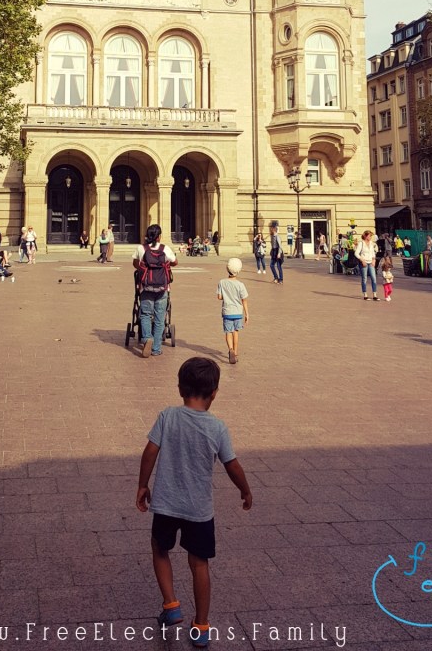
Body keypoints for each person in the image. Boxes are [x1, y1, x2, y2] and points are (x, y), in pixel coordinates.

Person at [136, 357, 252, 648]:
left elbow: (150, 452)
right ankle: (201, 625)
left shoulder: (167, 416)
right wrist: (245, 490)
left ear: (180, 389)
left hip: (165, 504)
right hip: (199, 511)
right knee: (199, 563)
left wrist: (142, 485)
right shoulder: (217, 427)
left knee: (159, 549)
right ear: (214, 392)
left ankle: (171, 603)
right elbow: (232, 465)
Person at [133, 224, 177, 358]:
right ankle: (156, 348)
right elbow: (175, 262)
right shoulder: (165, 249)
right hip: (162, 288)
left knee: (145, 314)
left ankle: (147, 339)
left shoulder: (141, 248)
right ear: (159, 237)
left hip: (146, 287)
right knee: (159, 318)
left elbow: (135, 263)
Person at [217, 258, 249, 364]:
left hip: (227, 311)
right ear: (239, 270)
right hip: (238, 312)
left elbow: (219, 297)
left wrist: (226, 297)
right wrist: (247, 314)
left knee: (228, 332)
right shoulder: (240, 284)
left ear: (227, 269)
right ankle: (235, 353)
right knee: (236, 332)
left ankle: (230, 349)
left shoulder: (222, 282)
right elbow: (244, 300)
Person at [354, 230, 379, 301]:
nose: (371, 237)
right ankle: (365, 294)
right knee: (364, 278)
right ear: (365, 236)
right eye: (369, 235)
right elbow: (356, 253)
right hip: (364, 263)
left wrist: (374, 260)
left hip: (371, 262)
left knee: (374, 278)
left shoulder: (371, 243)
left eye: (371, 235)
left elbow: (373, 253)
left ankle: (375, 294)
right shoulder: (361, 243)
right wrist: (362, 260)